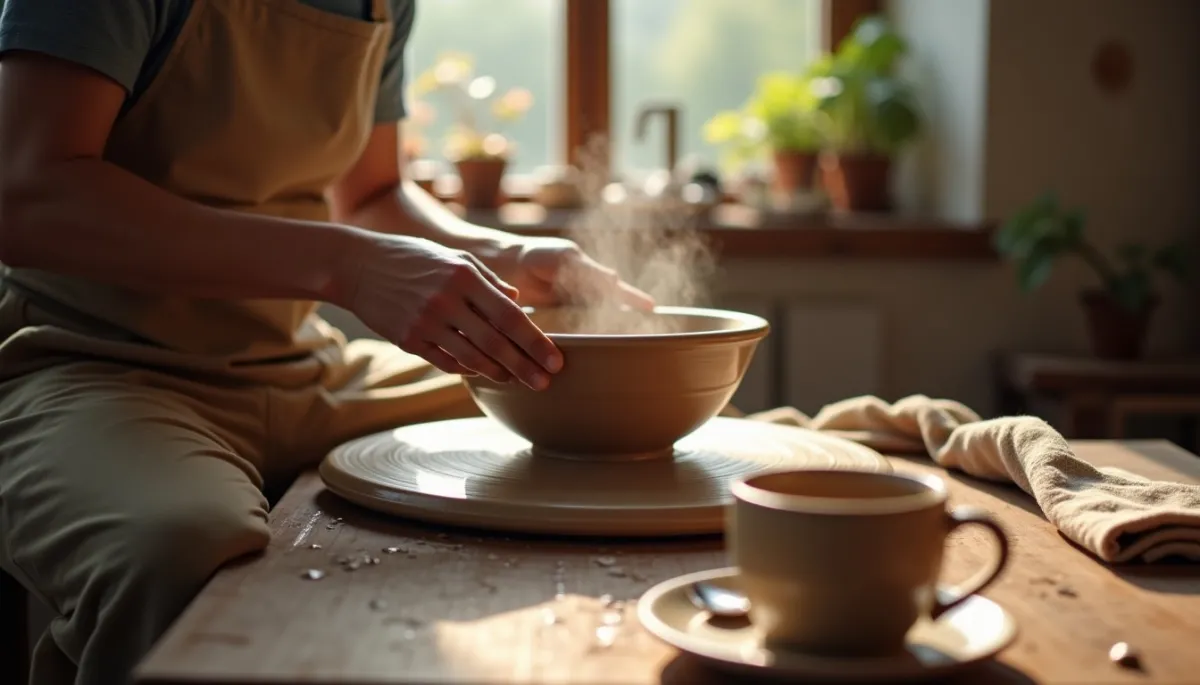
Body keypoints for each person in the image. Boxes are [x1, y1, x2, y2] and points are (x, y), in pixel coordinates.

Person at [0, 0, 653, 683]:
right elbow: (31, 195)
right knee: (177, 550)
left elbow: (371, 195)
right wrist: (351, 265)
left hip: (302, 366)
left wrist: (499, 252)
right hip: (86, 365)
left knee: (624, 424)